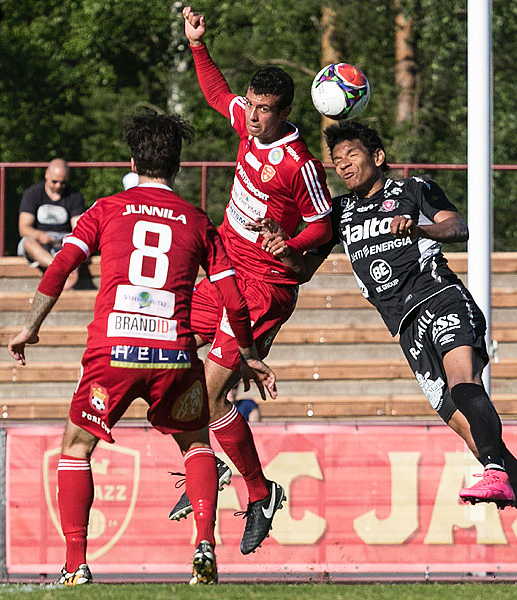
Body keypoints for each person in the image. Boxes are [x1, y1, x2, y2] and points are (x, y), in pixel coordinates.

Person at [253, 120, 517, 586]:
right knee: (476, 438)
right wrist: (280, 247)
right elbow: (303, 269)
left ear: (378, 155)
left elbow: (459, 226)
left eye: (351, 154)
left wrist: (420, 225)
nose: (342, 164)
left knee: (464, 383)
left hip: (440, 299)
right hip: (406, 331)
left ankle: (494, 472)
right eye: (336, 160)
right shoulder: (340, 212)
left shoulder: (412, 189)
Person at [7, 111, 277, 586]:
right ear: (177, 166)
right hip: (173, 353)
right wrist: (250, 352)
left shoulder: (105, 208)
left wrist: (31, 327)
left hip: (113, 353)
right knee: (195, 442)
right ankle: (204, 548)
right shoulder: (198, 221)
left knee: (76, 447)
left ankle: (75, 566)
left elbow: (59, 269)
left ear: (133, 161)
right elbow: (232, 298)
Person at [168, 6, 334, 556]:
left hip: (263, 284)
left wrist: (291, 245)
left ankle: (254, 491)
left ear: (285, 112)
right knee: (165, 355)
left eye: (265, 110)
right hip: (222, 267)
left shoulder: (297, 162)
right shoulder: (245, 122)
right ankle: (220, 471)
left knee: (211, 394)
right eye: (254, 107)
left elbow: (323, 224)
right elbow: (218, 96)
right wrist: (197, 45)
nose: (255, 117)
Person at [17, 158, 94, 290]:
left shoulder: (75, 196)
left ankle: (62, 268)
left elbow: (78, 229)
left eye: (62, 182)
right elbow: (23, 228)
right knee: (27, 243)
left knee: (80, 245)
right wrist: (39, 235)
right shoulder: (32, 194)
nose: (58, 186)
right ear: (47, 174)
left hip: (64, 242)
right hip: (40, 243)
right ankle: (60, 269)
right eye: (54, 181)